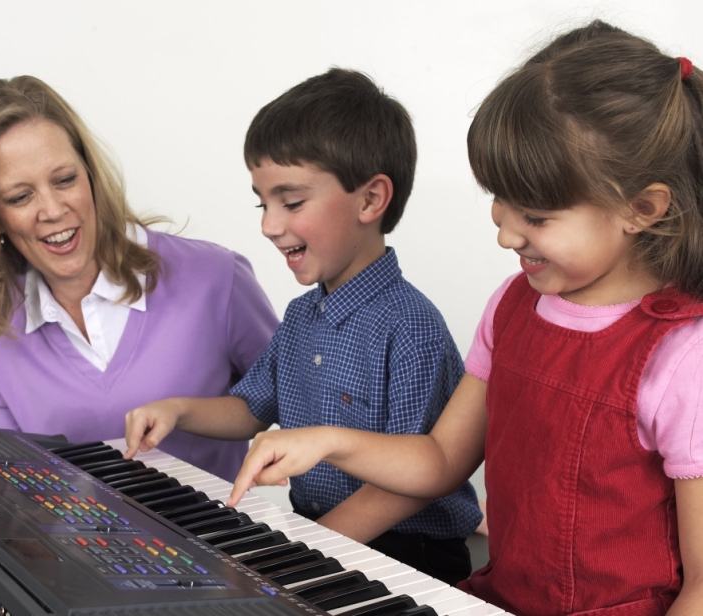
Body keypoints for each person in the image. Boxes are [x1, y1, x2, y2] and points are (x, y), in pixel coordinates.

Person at [224, 22, 703, 616]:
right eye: (498, 201)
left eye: (535, 215)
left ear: (641, 209)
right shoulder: (510, 307)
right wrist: (327, 441)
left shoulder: (684, 356)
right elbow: (442, 461)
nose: (504, 233)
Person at [124, 68, 482, 586]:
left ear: (370, 200)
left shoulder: (412, 327)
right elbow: (250, 409)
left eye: (291, 202)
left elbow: (416, 481)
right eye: (262, 202)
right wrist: (177, 410)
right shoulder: (300, 317)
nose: (269, 224)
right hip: (324, 537)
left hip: (410, 555)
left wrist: (304, 553)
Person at [0, 76, 278, 483]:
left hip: (217, 542)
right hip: (69, 547)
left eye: (65, 179)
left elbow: (301, 401)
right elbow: (29, 480)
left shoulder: (216, 279)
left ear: (91, 175)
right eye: (19, 197)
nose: (52, 209)